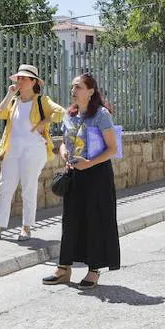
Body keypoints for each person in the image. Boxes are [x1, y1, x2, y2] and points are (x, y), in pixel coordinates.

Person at [41, 73, 121, 288]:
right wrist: (64, 152)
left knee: (94, 221)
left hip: (97, 175)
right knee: (71, 220)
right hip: (75, 173)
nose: (73, 90)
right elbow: (65, 142)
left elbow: (112, 149)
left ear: (91, 91)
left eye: (78, 87)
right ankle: (63, 268)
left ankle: (93, 270)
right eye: (73, 87)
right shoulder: (70, 114)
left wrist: (89, 162)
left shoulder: (101, 115)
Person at [0, 64, 65, 242]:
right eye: (19, 77)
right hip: (13, 148)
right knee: (5, 187)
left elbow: (61, 112)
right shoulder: (14, 101)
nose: (20, 80)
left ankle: (26, 227)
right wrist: (9, 93)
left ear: (34, 82)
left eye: (24, 78)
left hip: (34, 148)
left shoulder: (42, 100)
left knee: (28, 186)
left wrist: (45, 121)